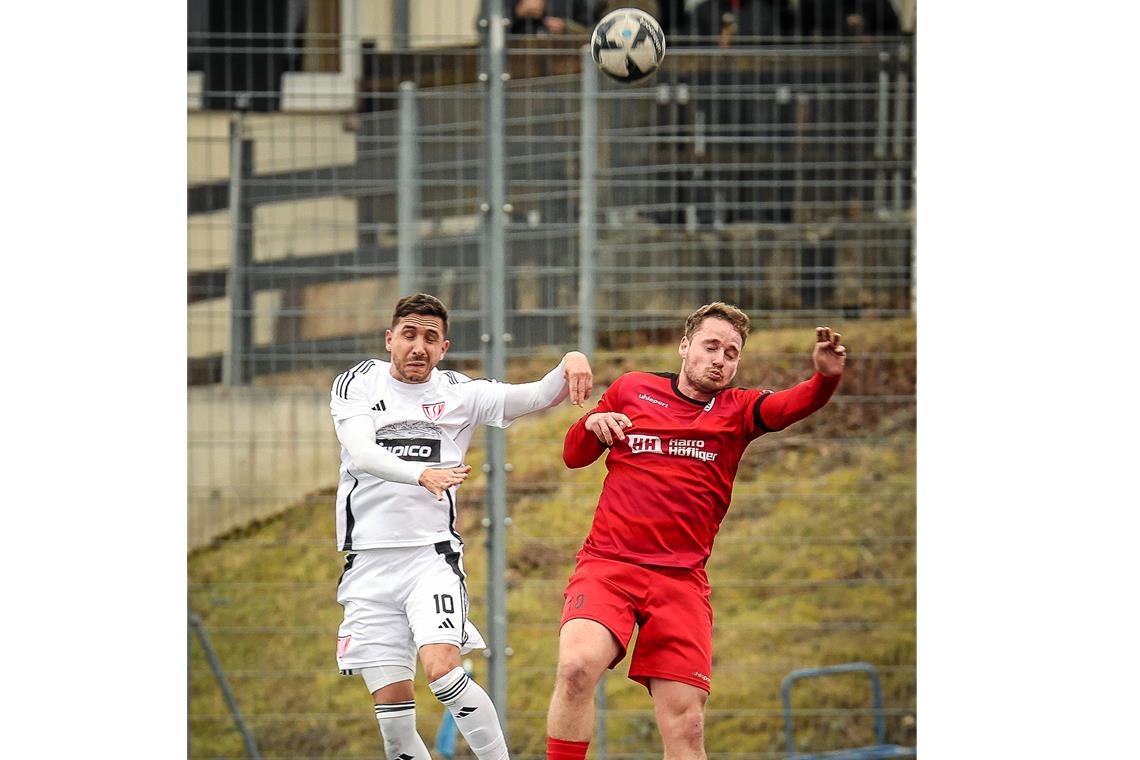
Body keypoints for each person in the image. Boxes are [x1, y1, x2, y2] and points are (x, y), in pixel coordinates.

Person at [544, 302, 847, 760]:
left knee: (686, 725)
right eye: (711, 346)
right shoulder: (633, 389)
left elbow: (793, 404)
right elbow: (573, 455)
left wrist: (824, 379)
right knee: (576, 666)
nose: (720, 359)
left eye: (731, 352)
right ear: (685, 346)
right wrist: (591, 424)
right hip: (609, 565)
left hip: (680, 581)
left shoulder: (739, 410)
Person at [331, 293, 594, 760]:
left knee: (444, 672)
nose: (419, 347)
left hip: (429, 559)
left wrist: (570, 361)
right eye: (409, 335)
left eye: (430, 338)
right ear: (390, 339)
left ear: (444, 347)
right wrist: (422, 474)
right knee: (394, 723)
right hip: (367, 567)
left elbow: (534, 394)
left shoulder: (459, 393)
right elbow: (363, 451)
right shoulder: (357, 383)